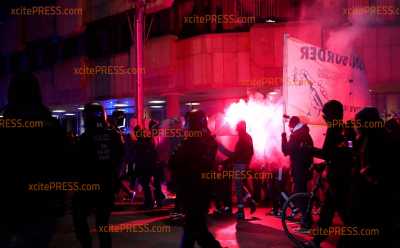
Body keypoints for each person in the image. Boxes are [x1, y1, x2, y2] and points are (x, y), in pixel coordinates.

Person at [0, 72, 68, 248]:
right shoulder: (52, 126)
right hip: (45, 206)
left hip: (12, 206)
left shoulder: (7, 123)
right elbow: (64, 164)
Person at [72, 102, 124, 248]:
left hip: (89, 187)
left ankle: (87, 244)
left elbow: (76, 164)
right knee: (103, 224)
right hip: (108, 186)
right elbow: (120, 158)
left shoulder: (84, 139)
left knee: (79, 215)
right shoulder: (114, 136)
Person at [169, 109, 222, 248]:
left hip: (194, 193)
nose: (185, 126)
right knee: (195, 230)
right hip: (198, 193)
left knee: (195, 230)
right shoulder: (206, 141)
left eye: (187, 123)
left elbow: (174, 163)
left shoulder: (192, 143)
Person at [306, 100, 353, 248]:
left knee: (340, 213)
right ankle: (317, 240)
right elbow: (341, 154)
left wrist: (310, 149)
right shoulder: (345, 130)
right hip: (342, 178)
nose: (324, 117)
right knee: (329, 211)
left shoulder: (334, 129)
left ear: (332, 114)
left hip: (337, 179)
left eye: (325, 114)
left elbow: (327, 153)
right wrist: (324, 165)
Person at [218, 120, 256, 220]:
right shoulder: (248, 137)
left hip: (239, 165)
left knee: (238, 189)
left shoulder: (242, 139)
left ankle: (240, 212)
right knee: (240, 185)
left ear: (240, 128)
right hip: (244, 165)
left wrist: (221, 148)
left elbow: (235, 155)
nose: (236, 130)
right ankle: (249, 200)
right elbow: (251, 152)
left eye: (237, 128)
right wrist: (247, 164)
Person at [281, 116, 314, 230]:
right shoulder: (306, 134)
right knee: (303, 195)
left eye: (290, 127)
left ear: (292, 125)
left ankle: (306, 223)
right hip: (305, 170)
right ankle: (306, 219)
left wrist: (283, 136)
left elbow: (285, 150)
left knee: (298, 196)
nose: (289, 129)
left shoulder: (295, 135)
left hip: (299, 170)